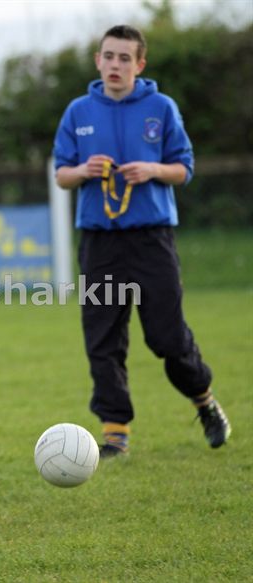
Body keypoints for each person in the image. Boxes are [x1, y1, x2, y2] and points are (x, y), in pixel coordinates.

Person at [53, 25, 231, 458]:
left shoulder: (161, 107)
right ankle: (115, 433)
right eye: (108, 56)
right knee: (103, 338)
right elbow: (62, 175)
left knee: (167, 338)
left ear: (140, 64)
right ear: (98, 60)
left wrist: (153, 170)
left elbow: (184, 168)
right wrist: (84, 171)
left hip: (152, 240)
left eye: (124, 58)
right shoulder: (78, 111)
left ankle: (204, 401)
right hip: (99, 243)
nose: (115, 64)